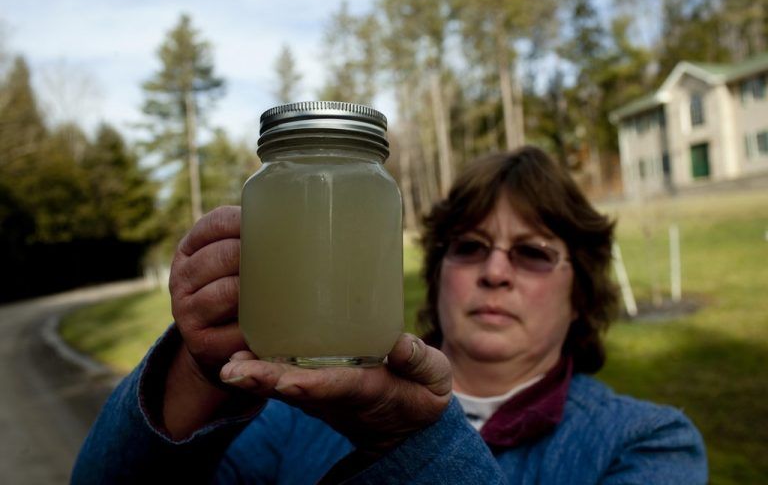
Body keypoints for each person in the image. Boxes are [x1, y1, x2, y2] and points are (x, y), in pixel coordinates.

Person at [72, 146, 707, 484]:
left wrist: (410, 442)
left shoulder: (646, 443)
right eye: (469, 247)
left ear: (583, 290)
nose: (494, 271)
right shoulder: (300, 413)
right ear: (436, 272)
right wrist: (197, 366)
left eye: (534, 253)